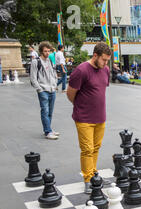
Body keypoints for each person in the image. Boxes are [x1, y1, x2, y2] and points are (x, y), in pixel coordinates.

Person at [66, 42, 113, 194]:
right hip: (84, 117)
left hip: (100, 117)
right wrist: (80, 105)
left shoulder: (105, 70)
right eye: (104, 60)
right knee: (87, 149)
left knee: (96, 148)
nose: (106, 64)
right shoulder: (81, 70)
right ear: (95, 56)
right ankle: (87, 180)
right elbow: (70, 93)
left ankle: (93, 175)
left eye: (107, 61)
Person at [30, 41, 58, 140]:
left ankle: (48, 129)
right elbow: (33, 78)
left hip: (52, 89)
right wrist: (39, 89)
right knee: (45, 111)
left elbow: (53, 73)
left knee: (50, 111)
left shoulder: (50, 60)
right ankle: (48, 132)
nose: (47, 53)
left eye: (48, 51)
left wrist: (55, 84)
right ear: (41, 51)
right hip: (43, 90)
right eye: (45, 51)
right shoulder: (35, 61)